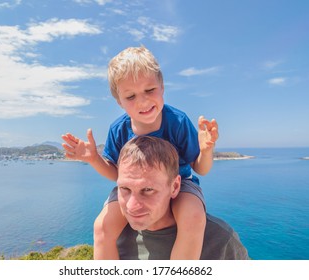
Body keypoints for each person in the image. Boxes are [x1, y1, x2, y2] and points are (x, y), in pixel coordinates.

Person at [62, 46, 219, 259]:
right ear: (119, 101)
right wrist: (93, 159)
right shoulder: (118, 129)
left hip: (179, 184)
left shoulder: (178, 122)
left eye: (149, 90)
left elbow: (201, 168)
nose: (143, 101)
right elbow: (117, 174)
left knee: (192, 218)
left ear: (162, 87)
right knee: (102, 227)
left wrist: (206, 150)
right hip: (134, 190)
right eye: (131, 96)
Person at [115, 136, 249, 260]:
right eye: (124, 189)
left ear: (175, 186)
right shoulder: (113, 237)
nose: (131, 206)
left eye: (148, 190)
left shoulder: (220, 239)